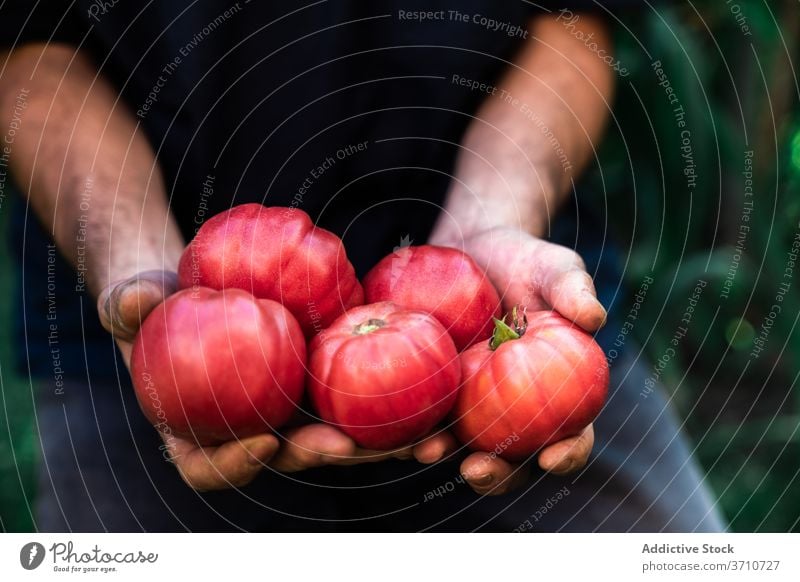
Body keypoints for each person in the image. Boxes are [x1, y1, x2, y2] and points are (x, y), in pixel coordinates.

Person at [0, 1, 725, 531]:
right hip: (138, 355)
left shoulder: (518, 339)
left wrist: (496, 221)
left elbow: (577, 22)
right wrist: (135, 264)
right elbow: (32, 49)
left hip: (505, 318)